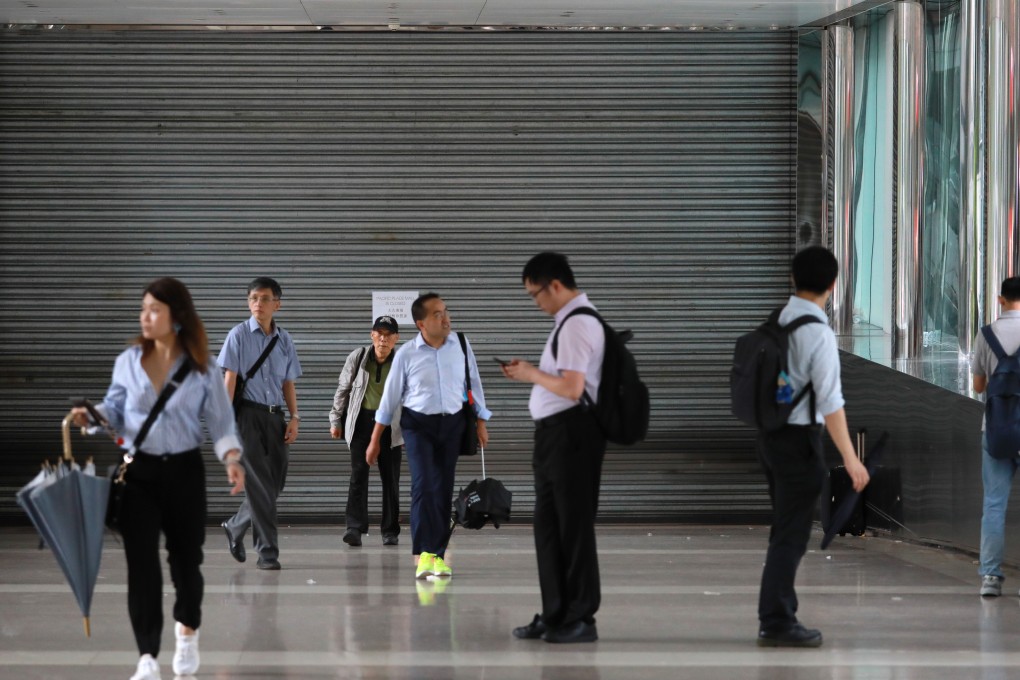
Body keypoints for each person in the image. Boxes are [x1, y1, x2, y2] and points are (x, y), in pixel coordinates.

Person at [70, 277, 245, 680]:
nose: (144, 316)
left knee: (187, 561)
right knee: (141, 564)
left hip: (185, 471)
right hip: (139, 473)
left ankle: (187, 633)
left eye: (154, 309)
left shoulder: (202, 365)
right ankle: (147, 657)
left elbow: (221, 421)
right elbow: (115, 408)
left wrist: (232, 459)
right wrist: (92, 416)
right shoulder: (128, 360)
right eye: (143, 307)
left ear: (176, 317)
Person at [751, 245, 869, 647]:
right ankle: (777, 620)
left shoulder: (780, 318)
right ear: (833, 286)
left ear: (792, 279)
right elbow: (831, 402)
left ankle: (777, 611)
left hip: (771, 437)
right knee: (792, 532)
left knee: (785, 528)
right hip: (800, 443)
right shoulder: (817, 332)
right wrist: (852, 459)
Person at [500, 252, 607, 644]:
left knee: (572, 528)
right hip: (555, 436)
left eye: (535, 294)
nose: (535, 302)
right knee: (549, 527)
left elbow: (572, 388)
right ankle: (556, 612)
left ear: (555, 285)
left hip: (572, 436)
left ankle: (581, 617)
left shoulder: (578, 324)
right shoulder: (567, 322)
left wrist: (529, 373)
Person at [365, 292, 491, 579]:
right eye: (437, 314)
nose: (445, 318)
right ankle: (423, 554)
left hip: (453, 424)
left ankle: (438, 554)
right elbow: (389, 399)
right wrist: (375, 439)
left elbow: (474, 382)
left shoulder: (461, 344)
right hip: (418, 425)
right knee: (423, 485)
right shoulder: (408, 353)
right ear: (421, 323)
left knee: (443, 488)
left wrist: (481, 421)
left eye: (445, 312)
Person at [218, 277, 302, 570]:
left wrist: (294, 417)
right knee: (261, 487)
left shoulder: (285, 340)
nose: (258, 304)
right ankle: (267, 553)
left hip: (275, 417)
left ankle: (236, 525)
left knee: (274, 483)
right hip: (246, 418)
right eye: (253, 298)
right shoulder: (238, 335)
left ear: (277, 304)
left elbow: (288, 382)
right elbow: (229, 380)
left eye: (265, 299)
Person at [329, 315, 404, 547]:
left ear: (396, 339)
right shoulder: (358, 357)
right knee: (358, 476)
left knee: (390, 479)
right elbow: (343, 389)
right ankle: (354, 528)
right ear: (372, 335)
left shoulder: (402, 361)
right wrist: (336, 420)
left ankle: (389, 531)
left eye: (388, 334)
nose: (383, 339)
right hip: (361, 422)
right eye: (379, 334)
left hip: (391, 426)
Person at [972, 276, 1020, 597]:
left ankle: (990, 577)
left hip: (997, 430)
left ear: (1000, 300)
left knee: (994, 504)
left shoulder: (986, 335)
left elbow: (977, 386)